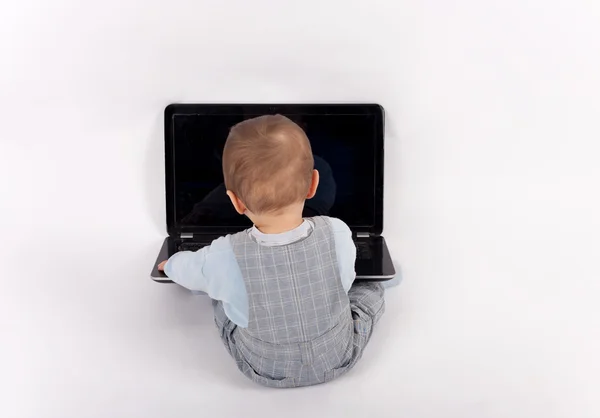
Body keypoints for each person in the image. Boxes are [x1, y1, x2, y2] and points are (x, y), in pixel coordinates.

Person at [158, 115, 385, 388]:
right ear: (314, 184)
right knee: (368, 295)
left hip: (266, 370)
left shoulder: (224, 255)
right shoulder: (336, 232)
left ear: (235, 202)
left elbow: (189, 270)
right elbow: (345, 281)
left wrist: (171, 265)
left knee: (220, 299)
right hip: (337, 356)